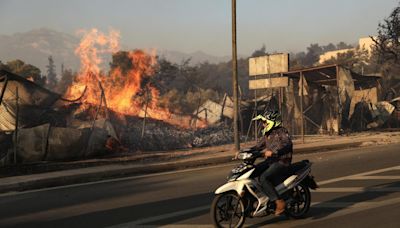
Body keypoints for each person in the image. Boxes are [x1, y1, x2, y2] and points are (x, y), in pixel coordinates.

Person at [251, 110, 293, 216]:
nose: (263, 124)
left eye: (265, 122)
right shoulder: (267, 134)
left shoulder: (281, 132)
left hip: (282, 162)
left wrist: (274, 152)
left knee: (263, 178)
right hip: (271, 162)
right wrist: (244, 152)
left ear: (272, 121)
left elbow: (287, 145)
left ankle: (279, 201)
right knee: (252, 171)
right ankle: (260, 198)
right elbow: (257, 147)